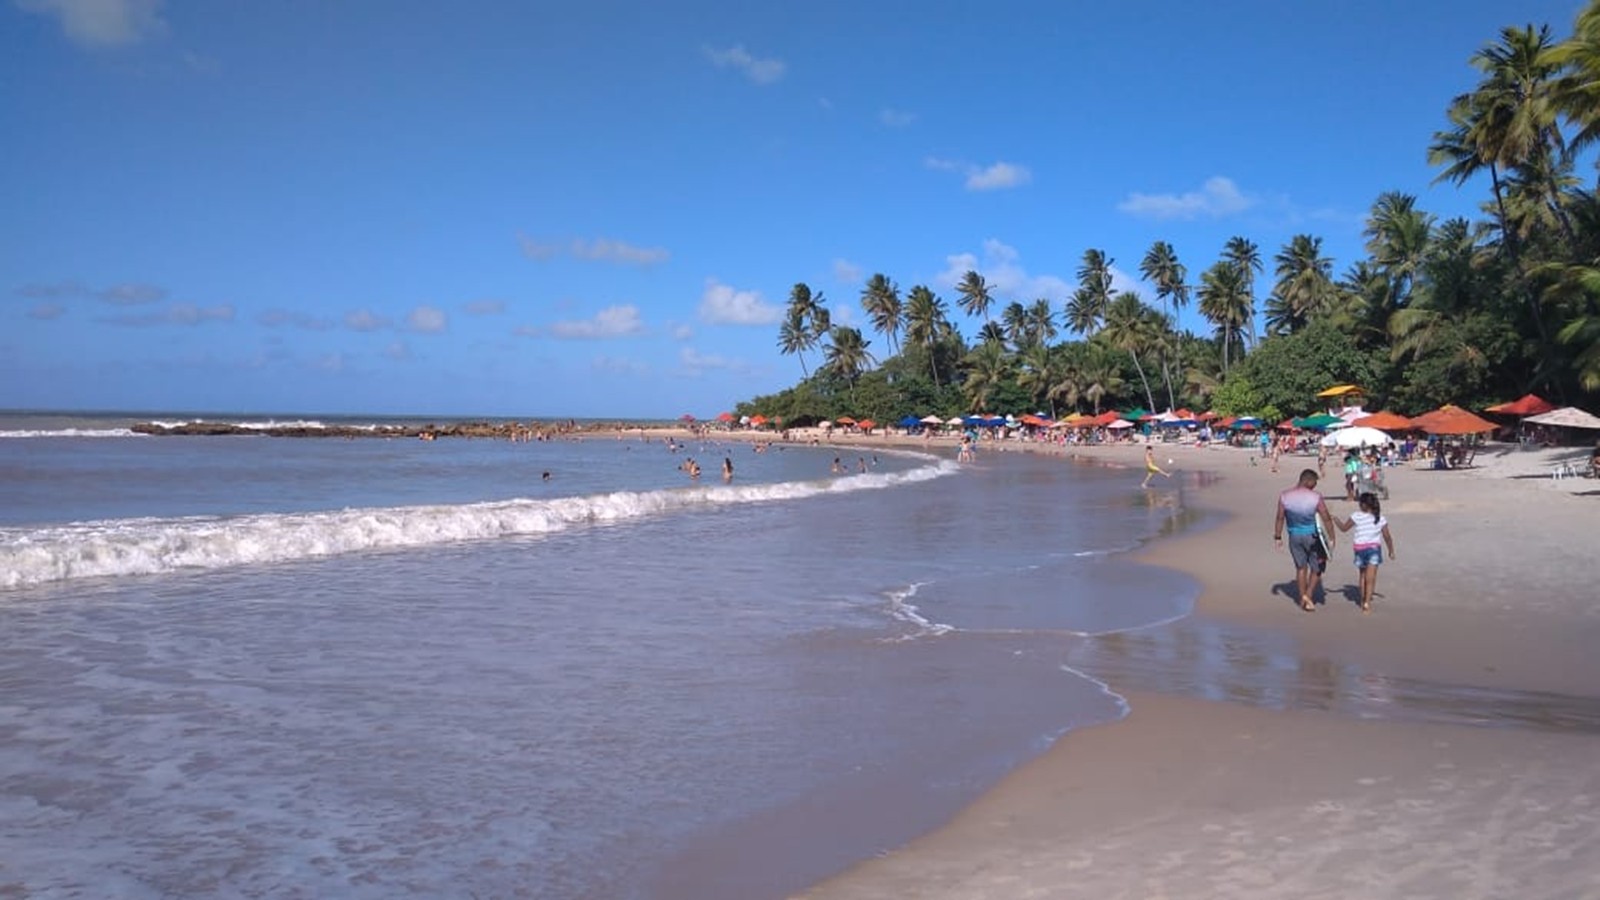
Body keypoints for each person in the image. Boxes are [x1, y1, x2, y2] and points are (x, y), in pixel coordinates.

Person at [1274, 468, 1337, 612]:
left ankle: (1303, 597)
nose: (1315, 485)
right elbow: (1326, 517)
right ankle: (1308, 595)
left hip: (1294, 537)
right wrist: (1332, 537)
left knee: (1301, 567)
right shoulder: (1316, 497)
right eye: (1314, 482)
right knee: (1318, 567)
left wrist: (1277, 536)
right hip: (1313, 537)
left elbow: (1280, 517)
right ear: (1308, 481)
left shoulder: (1285, 496)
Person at [1335, 491, 1396, 613]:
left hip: (1359, 549)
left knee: (1362, 576)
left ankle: (1363, 600)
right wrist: (1391, 550)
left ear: (1363, 505)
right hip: (1373, 549)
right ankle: (1367, 603)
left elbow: (1343, 529)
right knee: (1371, 578)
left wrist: (1335, 519)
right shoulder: (1380, 518)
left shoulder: (1356, 516)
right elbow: (1387, 536)